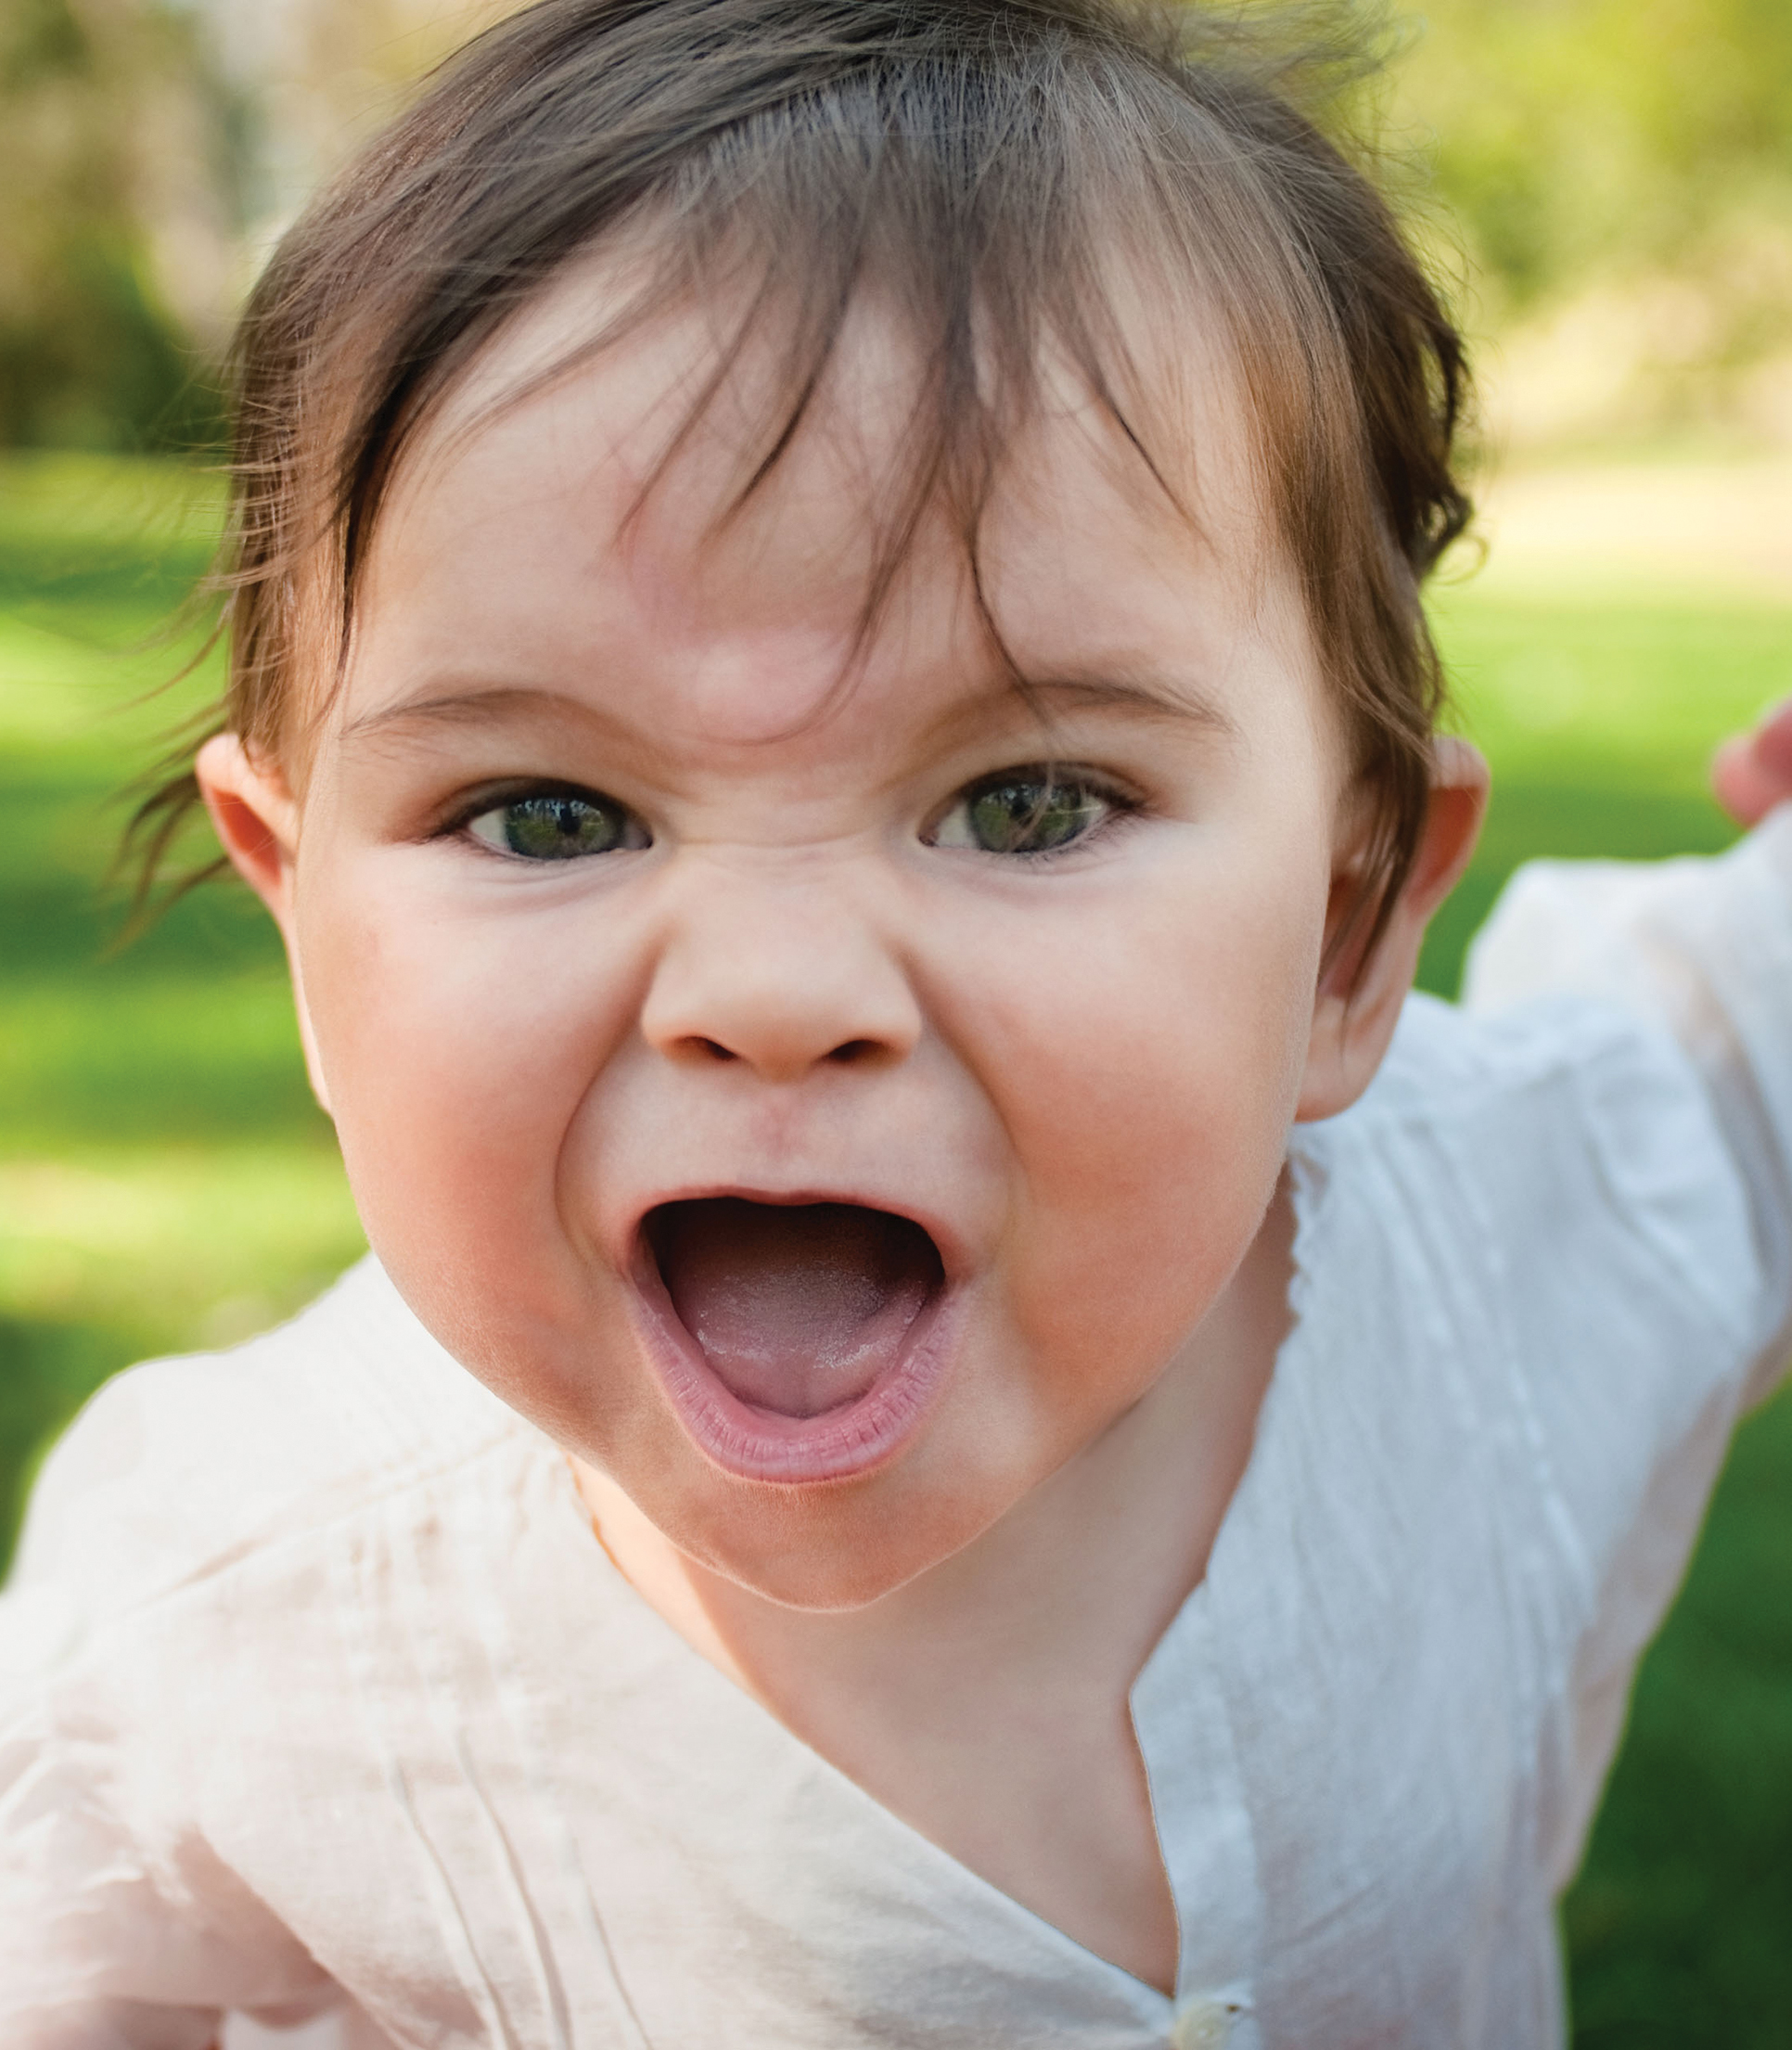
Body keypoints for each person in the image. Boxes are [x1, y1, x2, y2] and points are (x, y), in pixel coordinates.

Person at [2, 1, 1788, 2044]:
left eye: (1026, 805)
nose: (777, 996)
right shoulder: (220, 1621)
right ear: (308, 925)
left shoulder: (1528, 1227)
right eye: (550, 815)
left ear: (1348, 926)